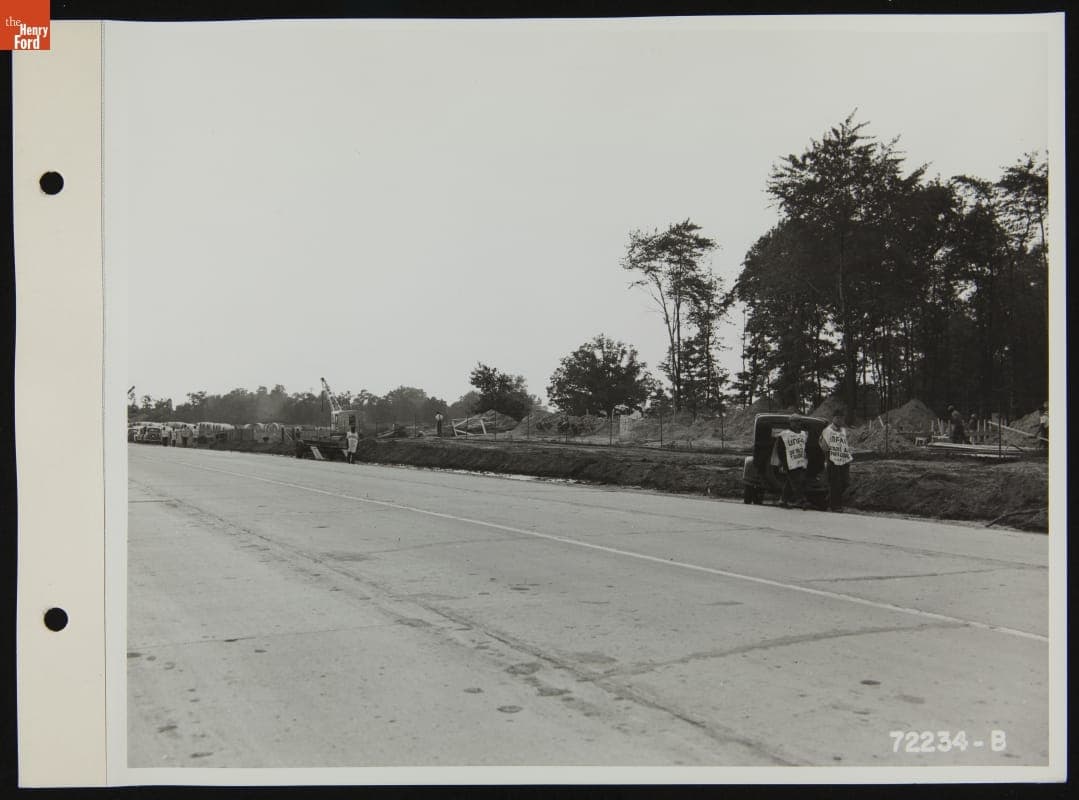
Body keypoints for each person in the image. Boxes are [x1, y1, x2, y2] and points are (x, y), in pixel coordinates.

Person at [819, 412, 853, 512]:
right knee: (835, 483)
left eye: (841, 418)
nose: (839, 420)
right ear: (833, 418)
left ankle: (828, 500)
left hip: (844, 460)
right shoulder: (827, 431)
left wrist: (846, 456)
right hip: (832, 460)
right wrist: (828, 458)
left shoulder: (843, 431)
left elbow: (845, 444)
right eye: (837, 418)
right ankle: (835, 506)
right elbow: (823, 445)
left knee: (846, 483)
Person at [774, 414, 810, 509]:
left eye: (799, 421)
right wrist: (784, 463)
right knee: (796, 482)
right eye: (795, 421)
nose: (798, 423)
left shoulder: (803, 434)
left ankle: (783, 500)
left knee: (791, 482)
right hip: (790, 463)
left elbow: (805, 447)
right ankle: (802, 501)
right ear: (791, 423)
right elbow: (780, 450)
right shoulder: (784, 434)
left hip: (800, 461)